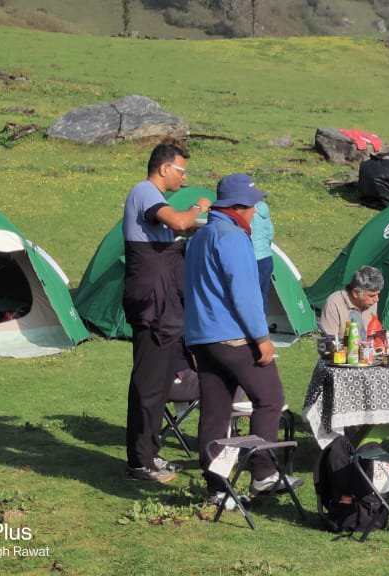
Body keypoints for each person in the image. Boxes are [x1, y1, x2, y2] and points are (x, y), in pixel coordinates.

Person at [184, 174, 298, 505]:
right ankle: (263, 473)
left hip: (203, 338)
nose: (254, 212)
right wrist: (261, 338)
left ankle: (217, 486)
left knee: (215, 411)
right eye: (252, 206)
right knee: (270, 397)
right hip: (233, 337)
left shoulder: (199, 237)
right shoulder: (232, 237)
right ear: (238, 207)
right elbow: (245, 293)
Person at [121, 142, 210, 483]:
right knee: (147, 384)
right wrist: (199, 206)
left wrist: (191, 225)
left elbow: (180, 227)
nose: (184, 177)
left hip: (167, 307)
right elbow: (177, 220)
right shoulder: (143, 192)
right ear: (163, 168)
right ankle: (140, 460)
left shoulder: (156, 202)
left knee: (159, 384)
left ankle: (150, 453)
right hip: (151, 307)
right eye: (180, 170)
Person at [318, 266, 383, 340]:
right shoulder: (334, 303)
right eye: (372, 296)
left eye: (378, 294)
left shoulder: (371, 303)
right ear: (355, 293)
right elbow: (328, 343)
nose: (377, 299)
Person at [249, 191, 275, 319]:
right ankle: (262, 328)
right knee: (262, 295)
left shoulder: (248, 211)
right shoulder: (264, 210)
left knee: (249, 297)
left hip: (252, 258)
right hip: (266, 257)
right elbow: (270, 233)